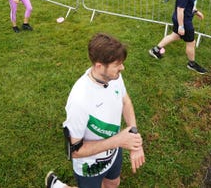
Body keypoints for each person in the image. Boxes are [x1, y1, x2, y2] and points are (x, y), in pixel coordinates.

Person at [47, 33, 145, 188]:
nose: (122, 68)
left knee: (113, 183)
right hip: (89, 165)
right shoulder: (79, 100)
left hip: (114, 152)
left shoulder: (114, 76)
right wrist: (118, 141)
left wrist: (133, 136)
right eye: (117, 64)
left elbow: (125, 101)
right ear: (99, 66)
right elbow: (76, 151)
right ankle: (58, 186)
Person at [149, 0, 208, 73]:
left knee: (174, 36)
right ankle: (192, 64)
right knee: (191, 43)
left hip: (179, 19)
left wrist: (196, 11)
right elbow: (180, 9)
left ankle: (156, 50)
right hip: (184, 22)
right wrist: (181, 26)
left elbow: (188, 5)